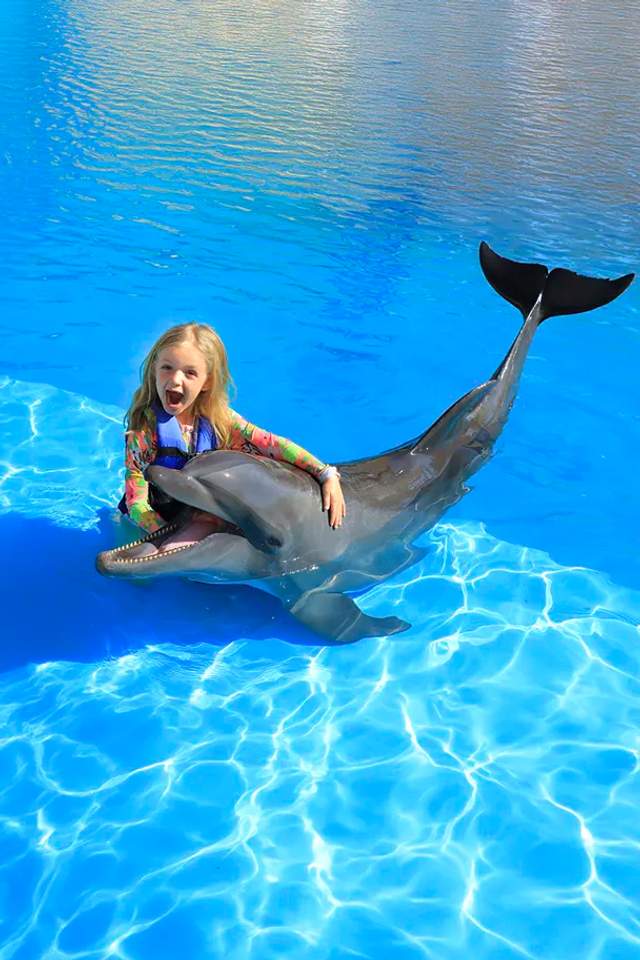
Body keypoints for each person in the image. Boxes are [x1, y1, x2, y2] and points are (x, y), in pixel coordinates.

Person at [120, 322, 346, 541]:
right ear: (154, 370)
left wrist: (324, 473)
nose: (176, 380)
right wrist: (165, 535)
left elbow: (272, 445)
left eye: (190, 373)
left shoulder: (221, 422)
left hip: (197, 518)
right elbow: (136, 503)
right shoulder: (145, 431)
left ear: (207, 382)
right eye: (167, 367)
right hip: (148, 522)